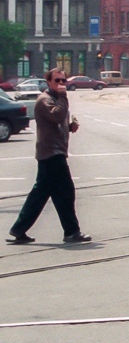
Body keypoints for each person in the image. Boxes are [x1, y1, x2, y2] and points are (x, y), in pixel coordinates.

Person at [7, 69, 91, 244]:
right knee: (65, 193)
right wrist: (64, 97)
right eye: (57, 80)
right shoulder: (45, 100)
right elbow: (57, 115)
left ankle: (18, 229)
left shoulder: (54, 99)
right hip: (52, 154)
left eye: (63, 80)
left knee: (39, 195)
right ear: (48, 82)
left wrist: (69, 127)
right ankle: (71, 231)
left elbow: (56, 122)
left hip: (52, 152)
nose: (61, 83)